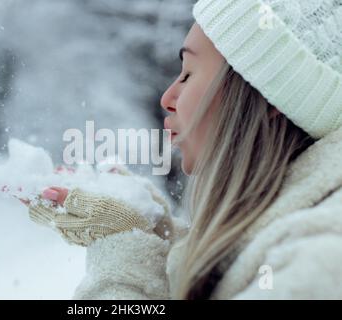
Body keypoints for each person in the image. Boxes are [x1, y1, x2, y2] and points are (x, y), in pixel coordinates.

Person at [26, 0, 342, 299]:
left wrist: (124, 273)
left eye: (188, 74)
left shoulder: (314, 263)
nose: (167, 97)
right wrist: (149, 237)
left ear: (270, 96)